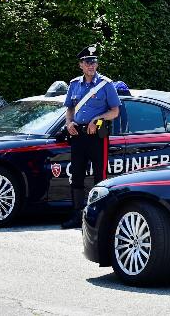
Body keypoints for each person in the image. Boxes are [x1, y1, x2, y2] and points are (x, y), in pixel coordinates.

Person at [61, 45, 120, 229]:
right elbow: (69, 108)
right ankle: (77, 215)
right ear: (81, 65)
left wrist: (98, 119)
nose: (91, 65)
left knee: (100, 177)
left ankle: (99, 217)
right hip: (78, 135)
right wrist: (69, 123)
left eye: (94, 61)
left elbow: (115, 112)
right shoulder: (74, 85)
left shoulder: (106, 84)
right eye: (87, 62)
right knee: (76, 176)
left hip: (97, 136)